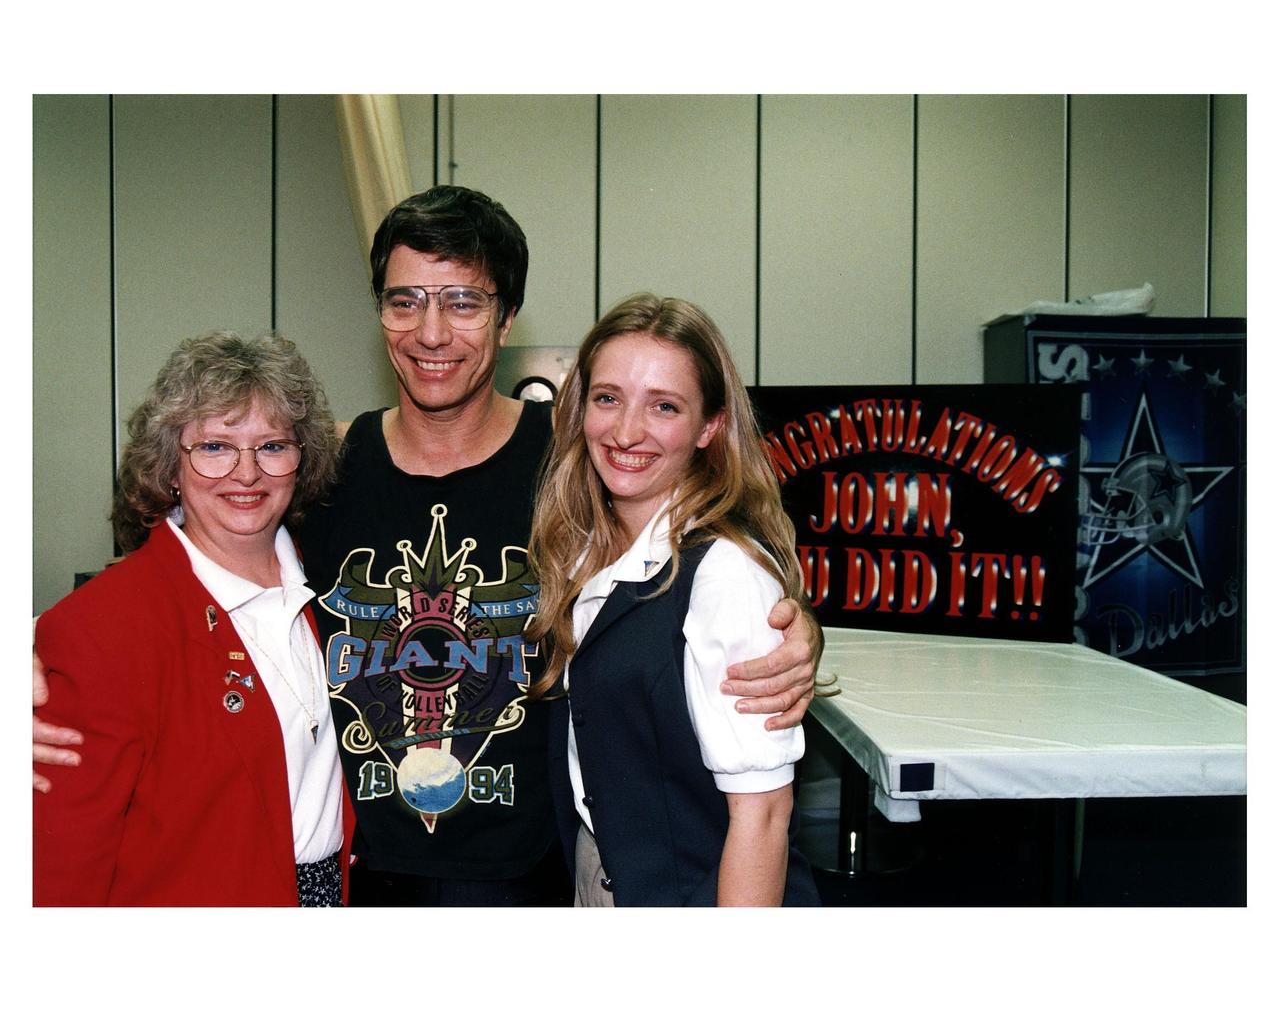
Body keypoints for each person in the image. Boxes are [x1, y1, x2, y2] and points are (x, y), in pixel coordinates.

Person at [34, 185, 822, 907]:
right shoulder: (318, 473)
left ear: (507, 317)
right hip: (359, 879)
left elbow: (684, 565)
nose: (432, 332)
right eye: (405, 301)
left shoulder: (578, 466)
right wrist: (35, 665)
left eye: (463, 303)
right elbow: (176, 583)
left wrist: (798, 628)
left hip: (536, 884)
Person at [33, 333, 349, 906]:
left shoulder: (326, 586)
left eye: (272, 445)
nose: (246, 473)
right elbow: (60, 867)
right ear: (169, 466)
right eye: (213, 447)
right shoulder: (101, 627)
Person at [528, 294, 820, 906]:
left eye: (664, 406)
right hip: (600, 872)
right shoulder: (586, 550)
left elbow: (763, 816)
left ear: (709, 426)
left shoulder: (726, 575)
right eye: (608, 398)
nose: (626, 431)